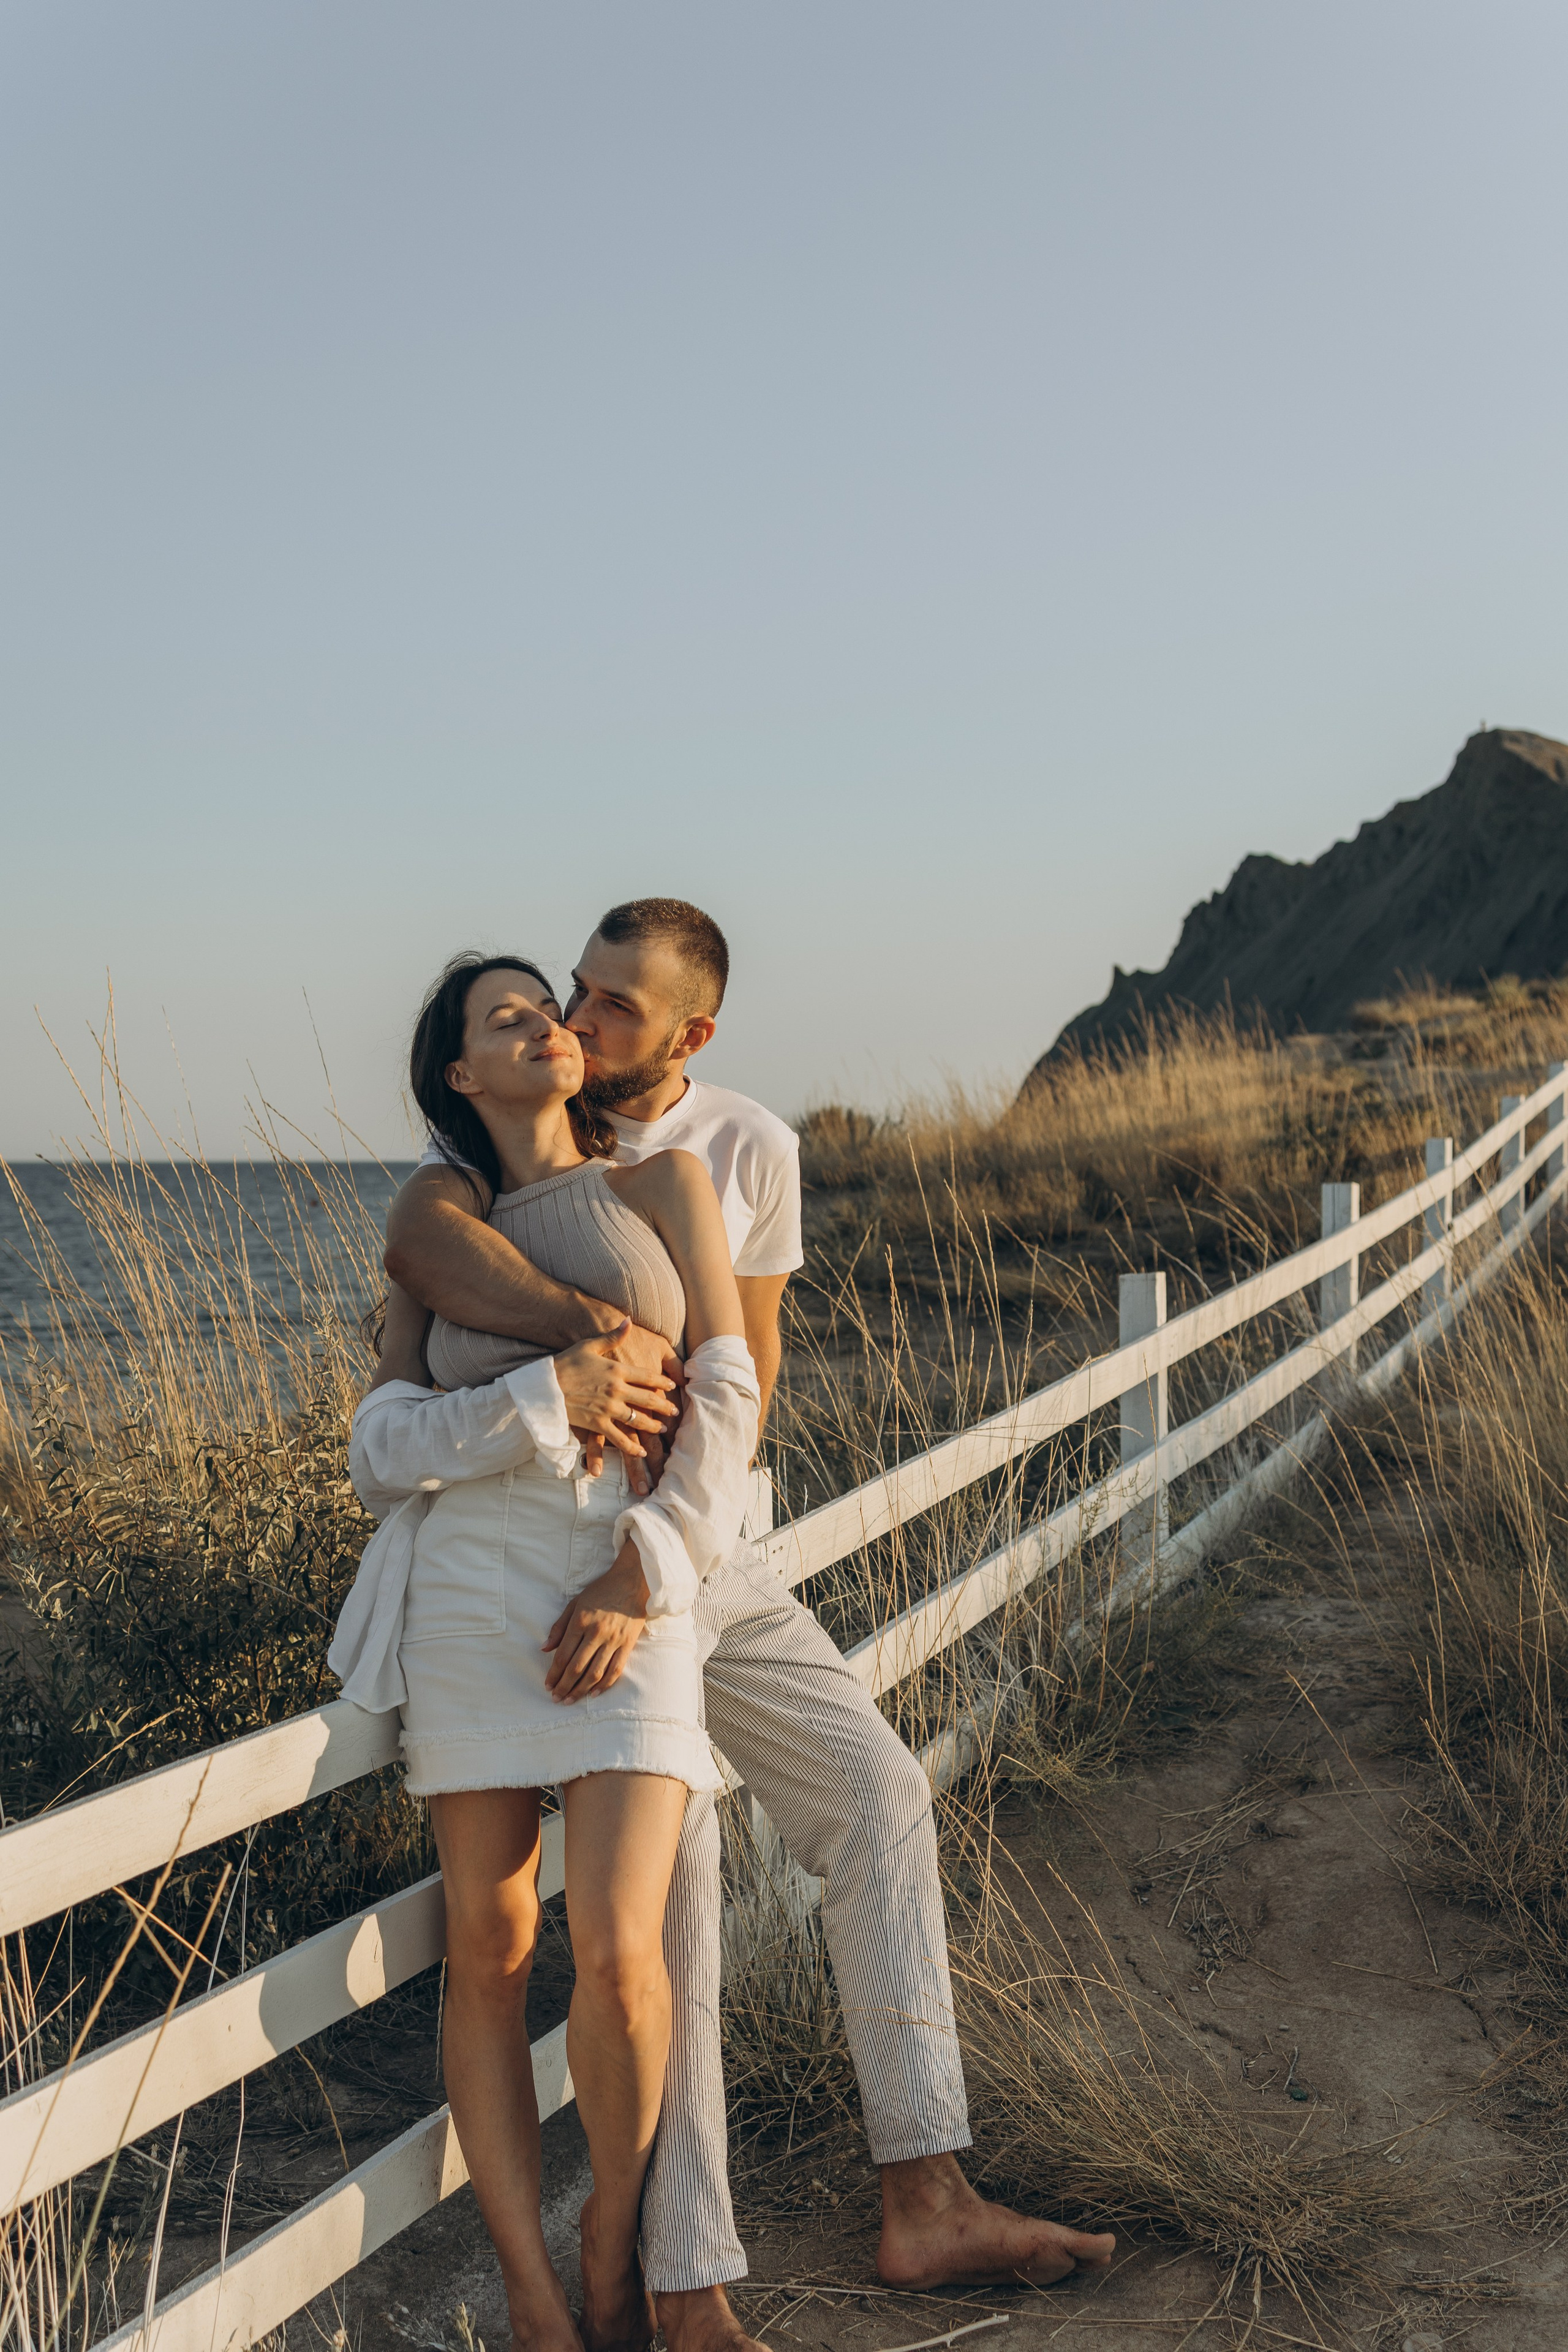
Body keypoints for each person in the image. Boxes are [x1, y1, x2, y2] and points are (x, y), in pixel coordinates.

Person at [383, 900, 1117, 2352]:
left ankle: (924, 2191)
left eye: (612, 1006)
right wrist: (584, 1355)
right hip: (547, 1557)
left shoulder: (739, 1149)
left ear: (691, 1034)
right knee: (675, 1899)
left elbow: (746, 1374)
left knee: (874, 1790)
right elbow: (424, 1269)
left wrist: (664, 1545)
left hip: (705, 1545)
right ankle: (685, 2278)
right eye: (572, 990)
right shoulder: (463, 1178)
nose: (579, 1019)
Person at [331, 952, 761, 2352]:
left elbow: (727, 1393)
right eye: (504, 1016)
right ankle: (529, 2291)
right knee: (492, 1943)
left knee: (623, 1953)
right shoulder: (442, 1229)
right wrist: (543, 1396)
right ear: (460, 1073)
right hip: (470, 1589)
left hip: (627, 1577)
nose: (543, 1024)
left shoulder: (662, 1187)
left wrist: (648, 1569)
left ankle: (609, 2237)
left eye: (546, 1005)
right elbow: (378, 1450)